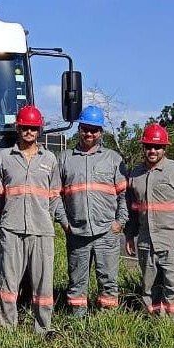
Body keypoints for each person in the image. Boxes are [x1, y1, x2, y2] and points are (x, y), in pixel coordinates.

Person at [0, 105, 65, 335]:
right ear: (18, 128)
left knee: (43, 284)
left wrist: (52, 221)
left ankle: (43, 328)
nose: (29, 132)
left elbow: (54, 196)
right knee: (8, 283)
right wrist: (0, 223)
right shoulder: (3, 157)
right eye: (25, 127)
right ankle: (6, 329)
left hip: (42, 231)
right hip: (10, 230)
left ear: (39, 130)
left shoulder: (50, 159)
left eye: (33, 128)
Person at [124, 124, 174, 321]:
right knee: (150, 289)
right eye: (148, 146)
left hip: (173, 242)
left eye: (157, 147)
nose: (152, 150)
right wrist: (129, 235)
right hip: (146, 241)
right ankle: (154, 327)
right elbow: (133, 210)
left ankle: (172, 332)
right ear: (143, 147)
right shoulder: (136, 174)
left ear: (164, 149)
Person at [58, 105, 128, 315]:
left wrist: (120, 222)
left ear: (101, 132)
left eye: (94, 130)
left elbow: (124, 195)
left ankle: (106, 324)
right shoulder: (65, 159)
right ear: (79, 129)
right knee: (77, 282)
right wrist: (64, 222)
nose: (89, 133)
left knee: (108, 282)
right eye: (85, 128)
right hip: (77, 233)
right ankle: (78, 326)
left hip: (107, 232)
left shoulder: (113, 159)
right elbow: (55, 196)